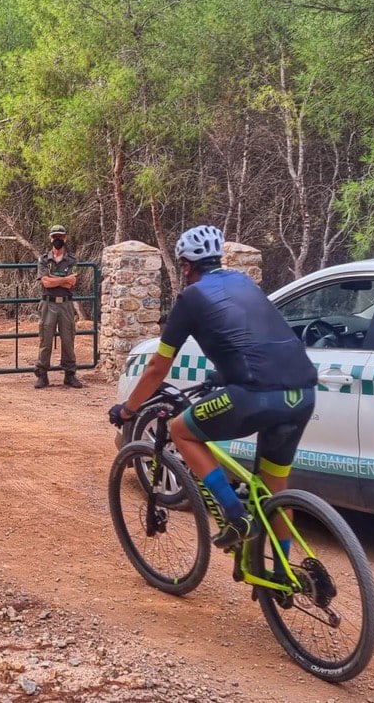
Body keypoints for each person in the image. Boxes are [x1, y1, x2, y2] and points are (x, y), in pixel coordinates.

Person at [107, 225, 317, 552]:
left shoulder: (191, 298)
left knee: (182, 430)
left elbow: (157, 368)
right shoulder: (244, 283)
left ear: (187, 266)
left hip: (254, 393)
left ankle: (235, 515)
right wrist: (222, 376)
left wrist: (127, 410)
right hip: (302, 392)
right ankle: (283, 574)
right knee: (274, 489)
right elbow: (252, 340)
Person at [34, 224, 84, 389]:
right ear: (50, 238)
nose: (58, 240)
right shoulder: (43, 259)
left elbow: (72, 283)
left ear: (65, 238)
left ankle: (70, 374)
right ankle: (42, 375)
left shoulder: (72, 260)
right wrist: (63, 279)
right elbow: (46, 283)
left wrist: (54, 279)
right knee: (45, 340)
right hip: (48, 304)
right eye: (55, 237)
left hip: (66, 305)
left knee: (68, 340)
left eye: (60, 237)